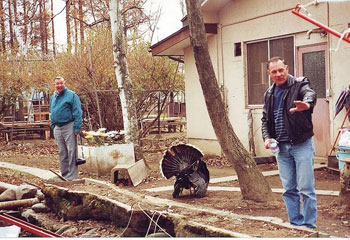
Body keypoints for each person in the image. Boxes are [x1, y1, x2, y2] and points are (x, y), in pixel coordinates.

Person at [261, 56, 317, 228]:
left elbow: (310, 94)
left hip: (301, 144)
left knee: (306, 189)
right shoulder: (269, 93)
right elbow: (265, 120)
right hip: (281, 149)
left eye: (281, 70)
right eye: (274, 71)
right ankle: (296, 225)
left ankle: (309, 227)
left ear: (286, 68)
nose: (278, 74)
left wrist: (306, 105)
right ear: (269, 74)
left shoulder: (300, 84)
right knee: (289, 189)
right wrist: (267, 137)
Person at [50, 76, 82, 180]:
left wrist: (77, 127)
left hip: (69, 126)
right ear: (54, 85)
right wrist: (53, 125)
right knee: (62, 152)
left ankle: (72, 177)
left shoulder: (72, 95)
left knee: (71, 151)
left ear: (65, 83)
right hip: (57, 128)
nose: (59, 85)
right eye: (57, 84)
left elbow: (78, 112)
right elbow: (53, 111)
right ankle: (64, 175)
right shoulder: (53, 97)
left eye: (61, 83)